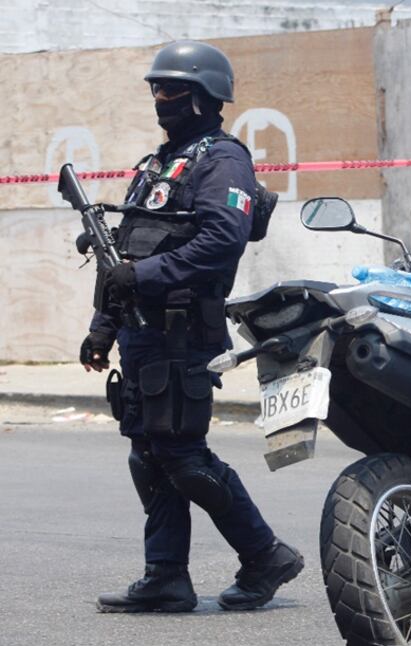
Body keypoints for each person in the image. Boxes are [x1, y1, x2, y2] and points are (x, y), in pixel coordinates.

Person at [80, 40, 303, 610]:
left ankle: (265, 556)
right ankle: (166, 578)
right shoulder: (158, 164)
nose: (160, 97)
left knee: (183, 456)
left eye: (172, 88)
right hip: (141, 335)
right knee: (149, 457)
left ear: (205, 97)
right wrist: (103, 327)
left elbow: (220, 240)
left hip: (184, 333)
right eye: (156, 87)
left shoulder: (223, 160)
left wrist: (144, 274)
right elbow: (122, 255)